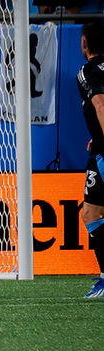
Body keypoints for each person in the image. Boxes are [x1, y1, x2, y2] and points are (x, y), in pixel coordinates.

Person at [77, 21, 104, 299]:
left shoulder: (87, 71)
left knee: (92, 214)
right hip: (99, 146)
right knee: (92, 213)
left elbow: (100, 104)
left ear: (84, 43)